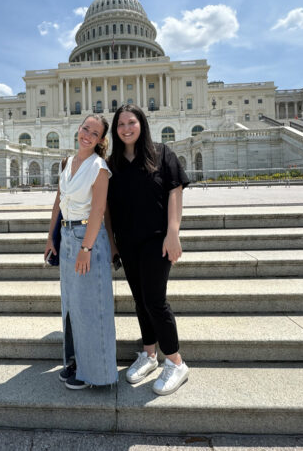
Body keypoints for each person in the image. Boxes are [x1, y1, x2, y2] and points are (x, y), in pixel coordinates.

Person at [106, 104, 189, 396]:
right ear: (115, 130)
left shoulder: (161, 153)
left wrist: (173, 234)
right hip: (128, 242)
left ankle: (176, 362)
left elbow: (175, 191)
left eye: (132, 122)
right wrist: (113, 244)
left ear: (142, 124)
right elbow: (107, 209)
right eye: (120, 124)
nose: (126, 128)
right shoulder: (112, 163)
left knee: (155, 300)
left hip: (158, 239)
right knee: (140, 300)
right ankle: (149, 354)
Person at [44, 114, 118, 390]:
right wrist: (51, 237)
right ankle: (77, 362)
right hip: (66, 235)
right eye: (85, 128)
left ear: (100, 140)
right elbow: (58, 203)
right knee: (72, 306)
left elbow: (98, 210)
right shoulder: (68, 162)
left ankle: (95, 374)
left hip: (88, 237)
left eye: (94, 133)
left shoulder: (99, 167)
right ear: (79, 129)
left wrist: (86, 248)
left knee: (91, 307)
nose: (87, 134)